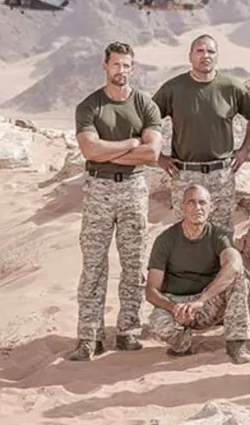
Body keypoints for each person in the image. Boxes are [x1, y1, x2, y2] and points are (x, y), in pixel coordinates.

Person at [69, 41, 162, 361]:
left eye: (126, 65)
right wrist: (129, 143)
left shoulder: (146, 106)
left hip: (134, 189)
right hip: (98, 191)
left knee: (134, 263)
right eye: (115, 65)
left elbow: (152, 153)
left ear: (132, 68)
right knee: (93, 264)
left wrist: (111, 150)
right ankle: (88, 336)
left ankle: (128, 330)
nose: (120, 71)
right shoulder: (89, 106)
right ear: (104, 66)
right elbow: (90, 151)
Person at [153, 34, 250, 230]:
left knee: (221, 236)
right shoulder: (173, 88)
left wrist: (245, 150)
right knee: (186, 235)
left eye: (211, 51)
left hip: (221, 175)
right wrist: (158, 157)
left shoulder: (231, 87)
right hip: (185, 174)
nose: (206, 56)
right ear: (190, 56)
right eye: (200, 51)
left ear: (217, 56)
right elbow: (145, 121)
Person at [145, 184, 250, 362]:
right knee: (157, 325)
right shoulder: (165, 240)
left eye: (202, 203)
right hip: (177, 305)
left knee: (239, 276)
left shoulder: (220, 236)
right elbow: (151, 290)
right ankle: (182, 343)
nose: (197, 208)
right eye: (191, 203)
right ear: (182, 207)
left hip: (207, 303)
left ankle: (236, 342)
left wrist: (201, 301)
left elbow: (234, 264)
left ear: (210, 207)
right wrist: (174, 308)